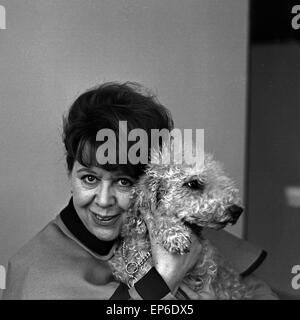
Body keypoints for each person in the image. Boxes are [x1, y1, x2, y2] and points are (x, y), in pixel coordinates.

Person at [3, 82, 278, 300]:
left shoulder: (183, 230)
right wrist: (165, 278)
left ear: (152, 183)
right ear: (70, 174)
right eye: (89, 178)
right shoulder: (34, 270)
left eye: (124, 182)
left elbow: (259, 292)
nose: (103, 201)